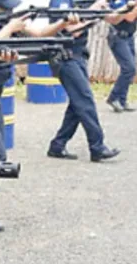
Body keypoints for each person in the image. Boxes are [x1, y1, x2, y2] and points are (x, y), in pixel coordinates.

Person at [0, 0, 84, 238]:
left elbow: (41, 34)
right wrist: (10, 28)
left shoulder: (6, 22)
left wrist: (63, 22)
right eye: (4, 7)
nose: (10, 12)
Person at [46, 0, 121, 162]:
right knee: (85, 100)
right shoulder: (61, 2)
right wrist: (93, 11)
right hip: (65, 57)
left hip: (78, 56)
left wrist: (131, 6)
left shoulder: (82, 2)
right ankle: (97, 147)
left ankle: (57, 145)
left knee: (77, 104)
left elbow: (114, 19)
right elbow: (72, 30)